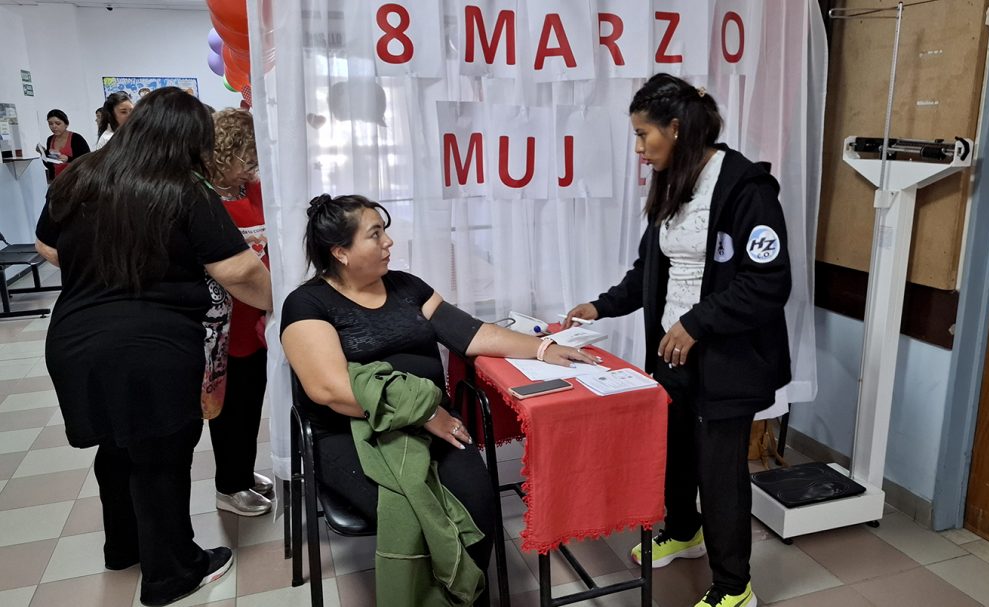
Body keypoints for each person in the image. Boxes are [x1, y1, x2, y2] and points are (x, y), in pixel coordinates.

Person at [281, 194, 597, 606]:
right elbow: (332, 391)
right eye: (375, 235)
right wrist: (426, 412)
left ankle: (464, 598)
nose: (389, 242)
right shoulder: (307, 304)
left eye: (385, 231)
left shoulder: (407, 286)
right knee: (418, 512)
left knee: (479, 508)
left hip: (433, 421)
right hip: (353, 432)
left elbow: (469, 332)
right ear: (340, 252)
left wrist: (541, 349)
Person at [34, 87, 272, 607]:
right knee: (160, 458)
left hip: (75, 339)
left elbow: (46, 244)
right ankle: (171, 574)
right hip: (153, 346)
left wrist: (96, 273)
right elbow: (238, 270)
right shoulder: (184, 189)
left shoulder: (80, 175)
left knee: (115, 445)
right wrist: (279, 305)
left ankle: (123, 548)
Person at [562, 74, 791, 607]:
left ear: (677, 128)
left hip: (727, 357)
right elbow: (652, 267)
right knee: (676, 449)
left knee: (719, 469)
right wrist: (603, 305)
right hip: (674, 351)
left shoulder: (745, 189)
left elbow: (768, 282)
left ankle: (734, 586)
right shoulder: (674, 181)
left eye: (645, 136)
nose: (640, 150)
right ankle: (684, 531)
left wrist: (697, 323)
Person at [206, 108, 273, 516]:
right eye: (243, 160)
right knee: (228, 407)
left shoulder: (253, 191)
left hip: (259, 317)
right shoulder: (206, 200)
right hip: (226, 321)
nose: (250, 169)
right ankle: (228, 485)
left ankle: (243, 473)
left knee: (251, 401)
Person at [43, 109, 90, 182]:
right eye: (50, 124)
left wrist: (68, 159)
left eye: (58, 123)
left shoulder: (76, 138)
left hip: (75, 180)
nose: (54, 126)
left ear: (66, 124)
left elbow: (87, 159)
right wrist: (44, 154)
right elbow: (50, 166)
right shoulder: (50, 139)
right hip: (57, 181)